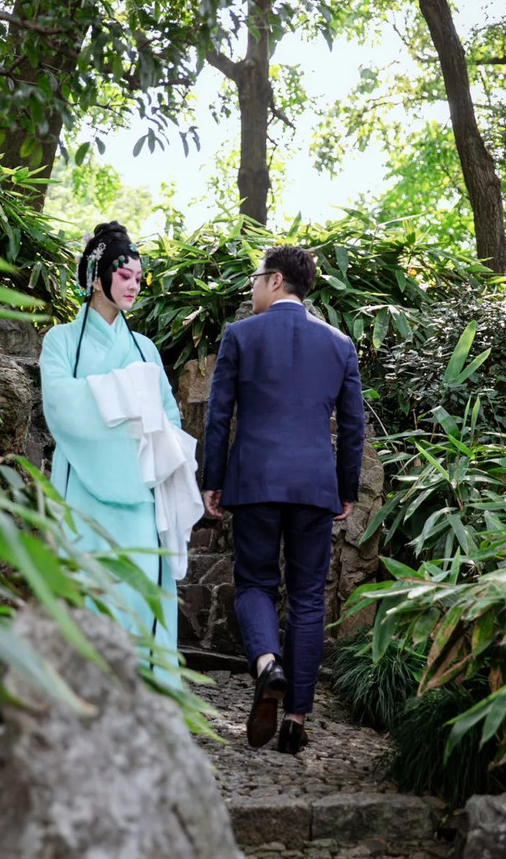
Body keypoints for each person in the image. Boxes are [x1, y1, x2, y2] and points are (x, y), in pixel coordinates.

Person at [202, 245, 365, 753]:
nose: (252, 287)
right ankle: (295, 720)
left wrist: (212, 479)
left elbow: (218, 415)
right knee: (308, 596)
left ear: (275, 280)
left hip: (254, 481)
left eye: (256, 278)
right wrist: (345, 489)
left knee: (254, 581)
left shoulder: (240, 335)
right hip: (315, 486)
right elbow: (353, 427)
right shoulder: (339, 344)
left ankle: (267, 664)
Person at [40, 220, 201, 683]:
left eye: (138, 278)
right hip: (81, 489)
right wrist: (129, 398)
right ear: (96, 278)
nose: (134, 285)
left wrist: (146, 429)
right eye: (125, 275)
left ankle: (144, 698)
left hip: (141, 490)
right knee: (87, 587)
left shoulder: (145, 348)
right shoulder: (61, 341)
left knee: (139, 592)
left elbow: (168, 418)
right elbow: (60, 406)